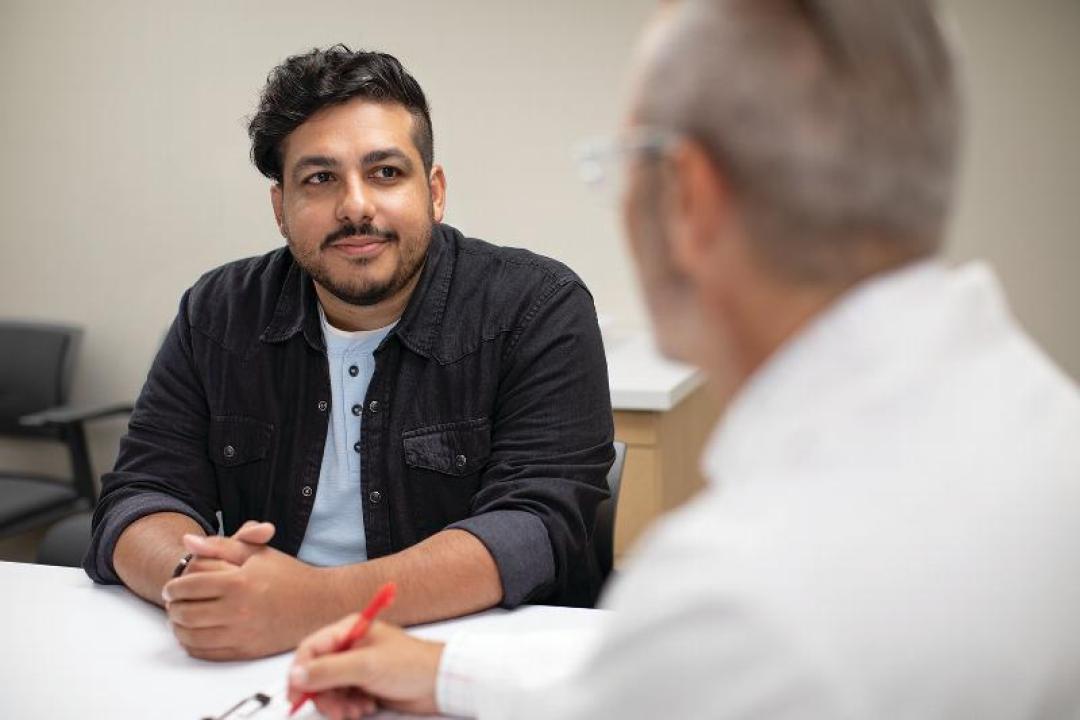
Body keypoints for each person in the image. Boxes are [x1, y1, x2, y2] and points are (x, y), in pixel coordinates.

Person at [283, 1, 1080, 718]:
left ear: (686, 197)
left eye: (624, 164)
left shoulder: (737, 596)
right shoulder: (1044, 430)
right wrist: (449, 677)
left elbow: (700, 671)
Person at [84, 46, 615, 661]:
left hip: (468, 660)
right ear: (281, 208)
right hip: (263, 657)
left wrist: (310, 603)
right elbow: (140, 496)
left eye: (385, 172)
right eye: (320, 179)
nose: (356, 206)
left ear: (434, 192)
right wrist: (198, 583)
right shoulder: (219, 312)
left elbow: (536, 528)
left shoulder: (537, 307)